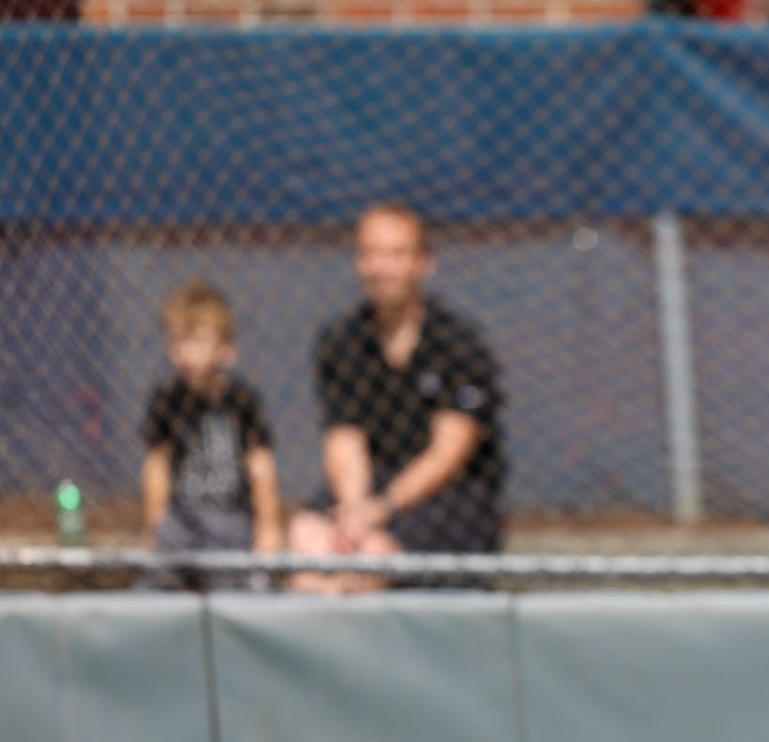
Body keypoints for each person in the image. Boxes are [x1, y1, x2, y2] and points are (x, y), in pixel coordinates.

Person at [289, 202, 505, 593]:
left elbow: (448, 455)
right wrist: (354, 513)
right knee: (307, 537)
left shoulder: (458, 344)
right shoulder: (342, 340)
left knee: (370, 558)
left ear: (425, 264)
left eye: (395, 255)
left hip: (447, 496)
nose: (381, 268)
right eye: (370, 254)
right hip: (373, 486)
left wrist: (382, 509)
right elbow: (344, 439)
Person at [138, 279, 282, 590]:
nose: (186, 354)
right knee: (153, 585)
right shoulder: (167, 401)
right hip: (182, 518)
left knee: (245, 590)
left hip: (231, 519)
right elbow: (157, 465)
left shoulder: (241, 401)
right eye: (178, 342)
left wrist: (268, 529)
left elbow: (260, 465)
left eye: (198, 343)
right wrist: (154, 525)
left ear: (226, 351)